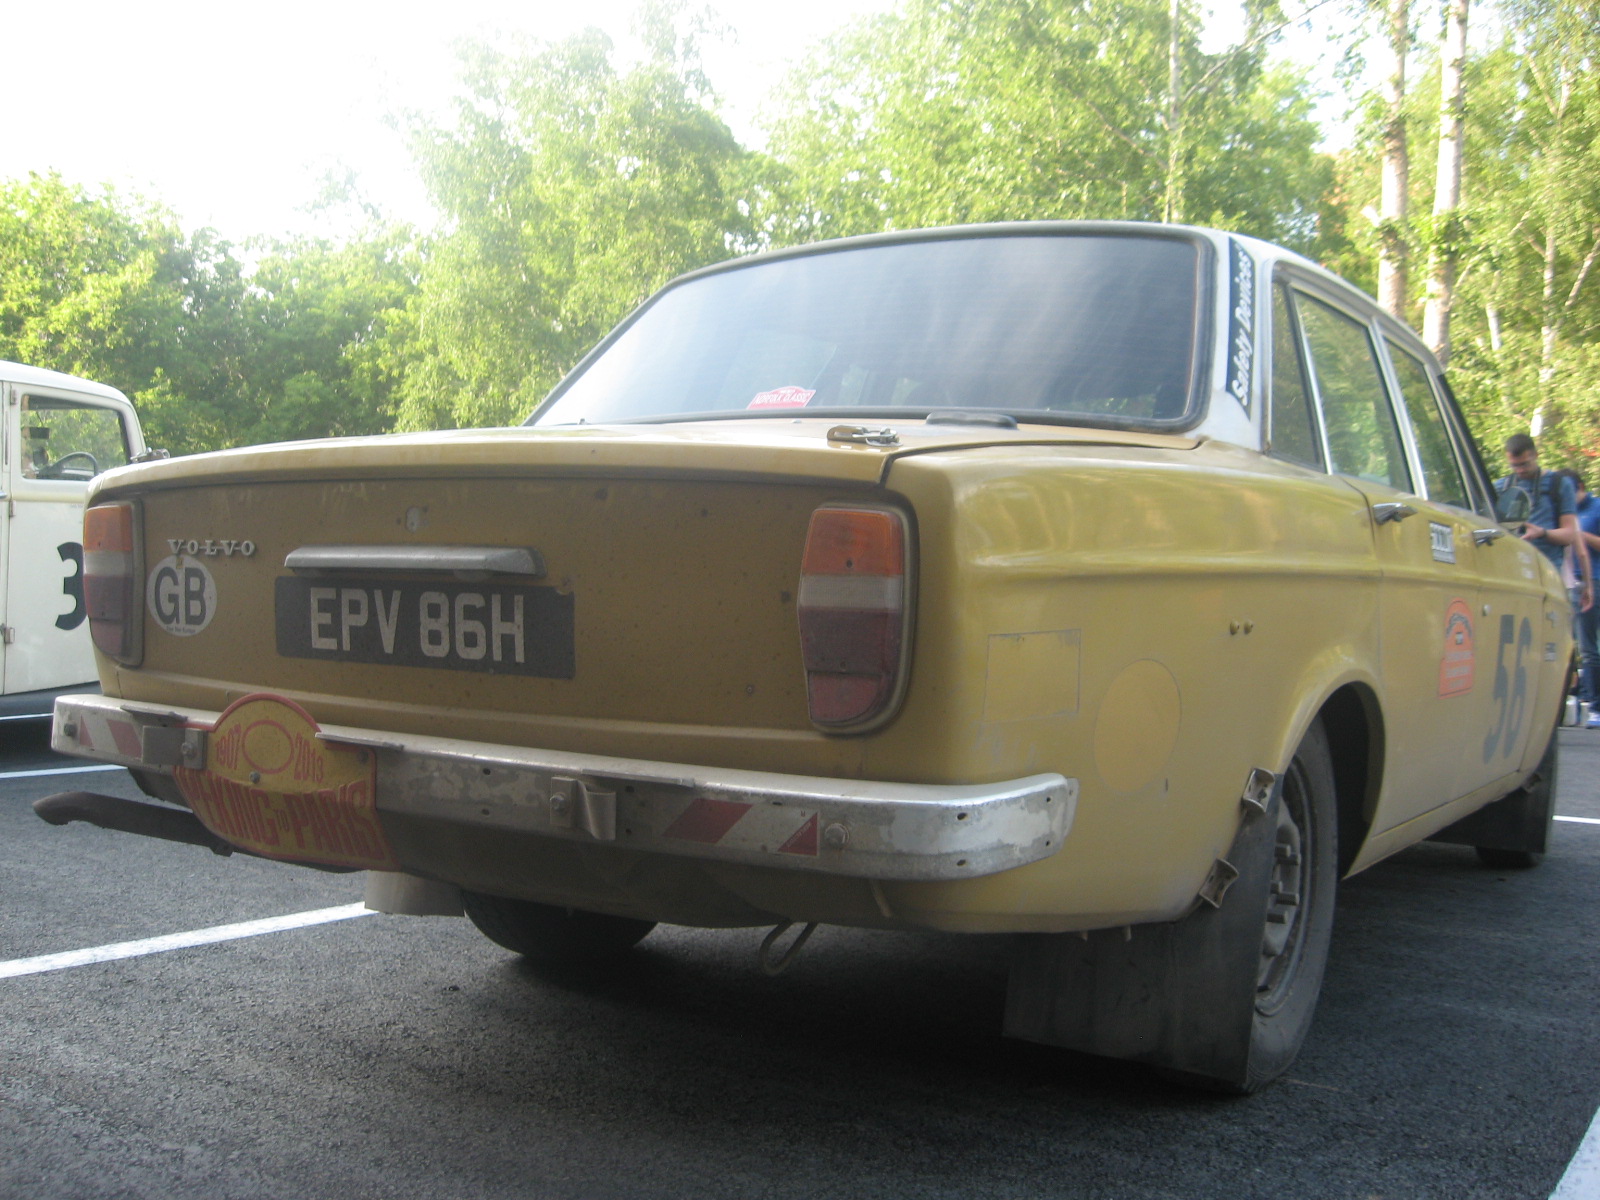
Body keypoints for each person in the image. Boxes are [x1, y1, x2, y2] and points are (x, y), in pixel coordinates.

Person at [1568, 470, 1600, 728]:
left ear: (1580, 487)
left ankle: (1594, 707)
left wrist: (1580, 535)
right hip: (1568, 580)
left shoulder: (1596, 507)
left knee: (1589, 648)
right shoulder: (1564, 511)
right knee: (1570, 645)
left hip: (1594, 580)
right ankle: (1576, 699)